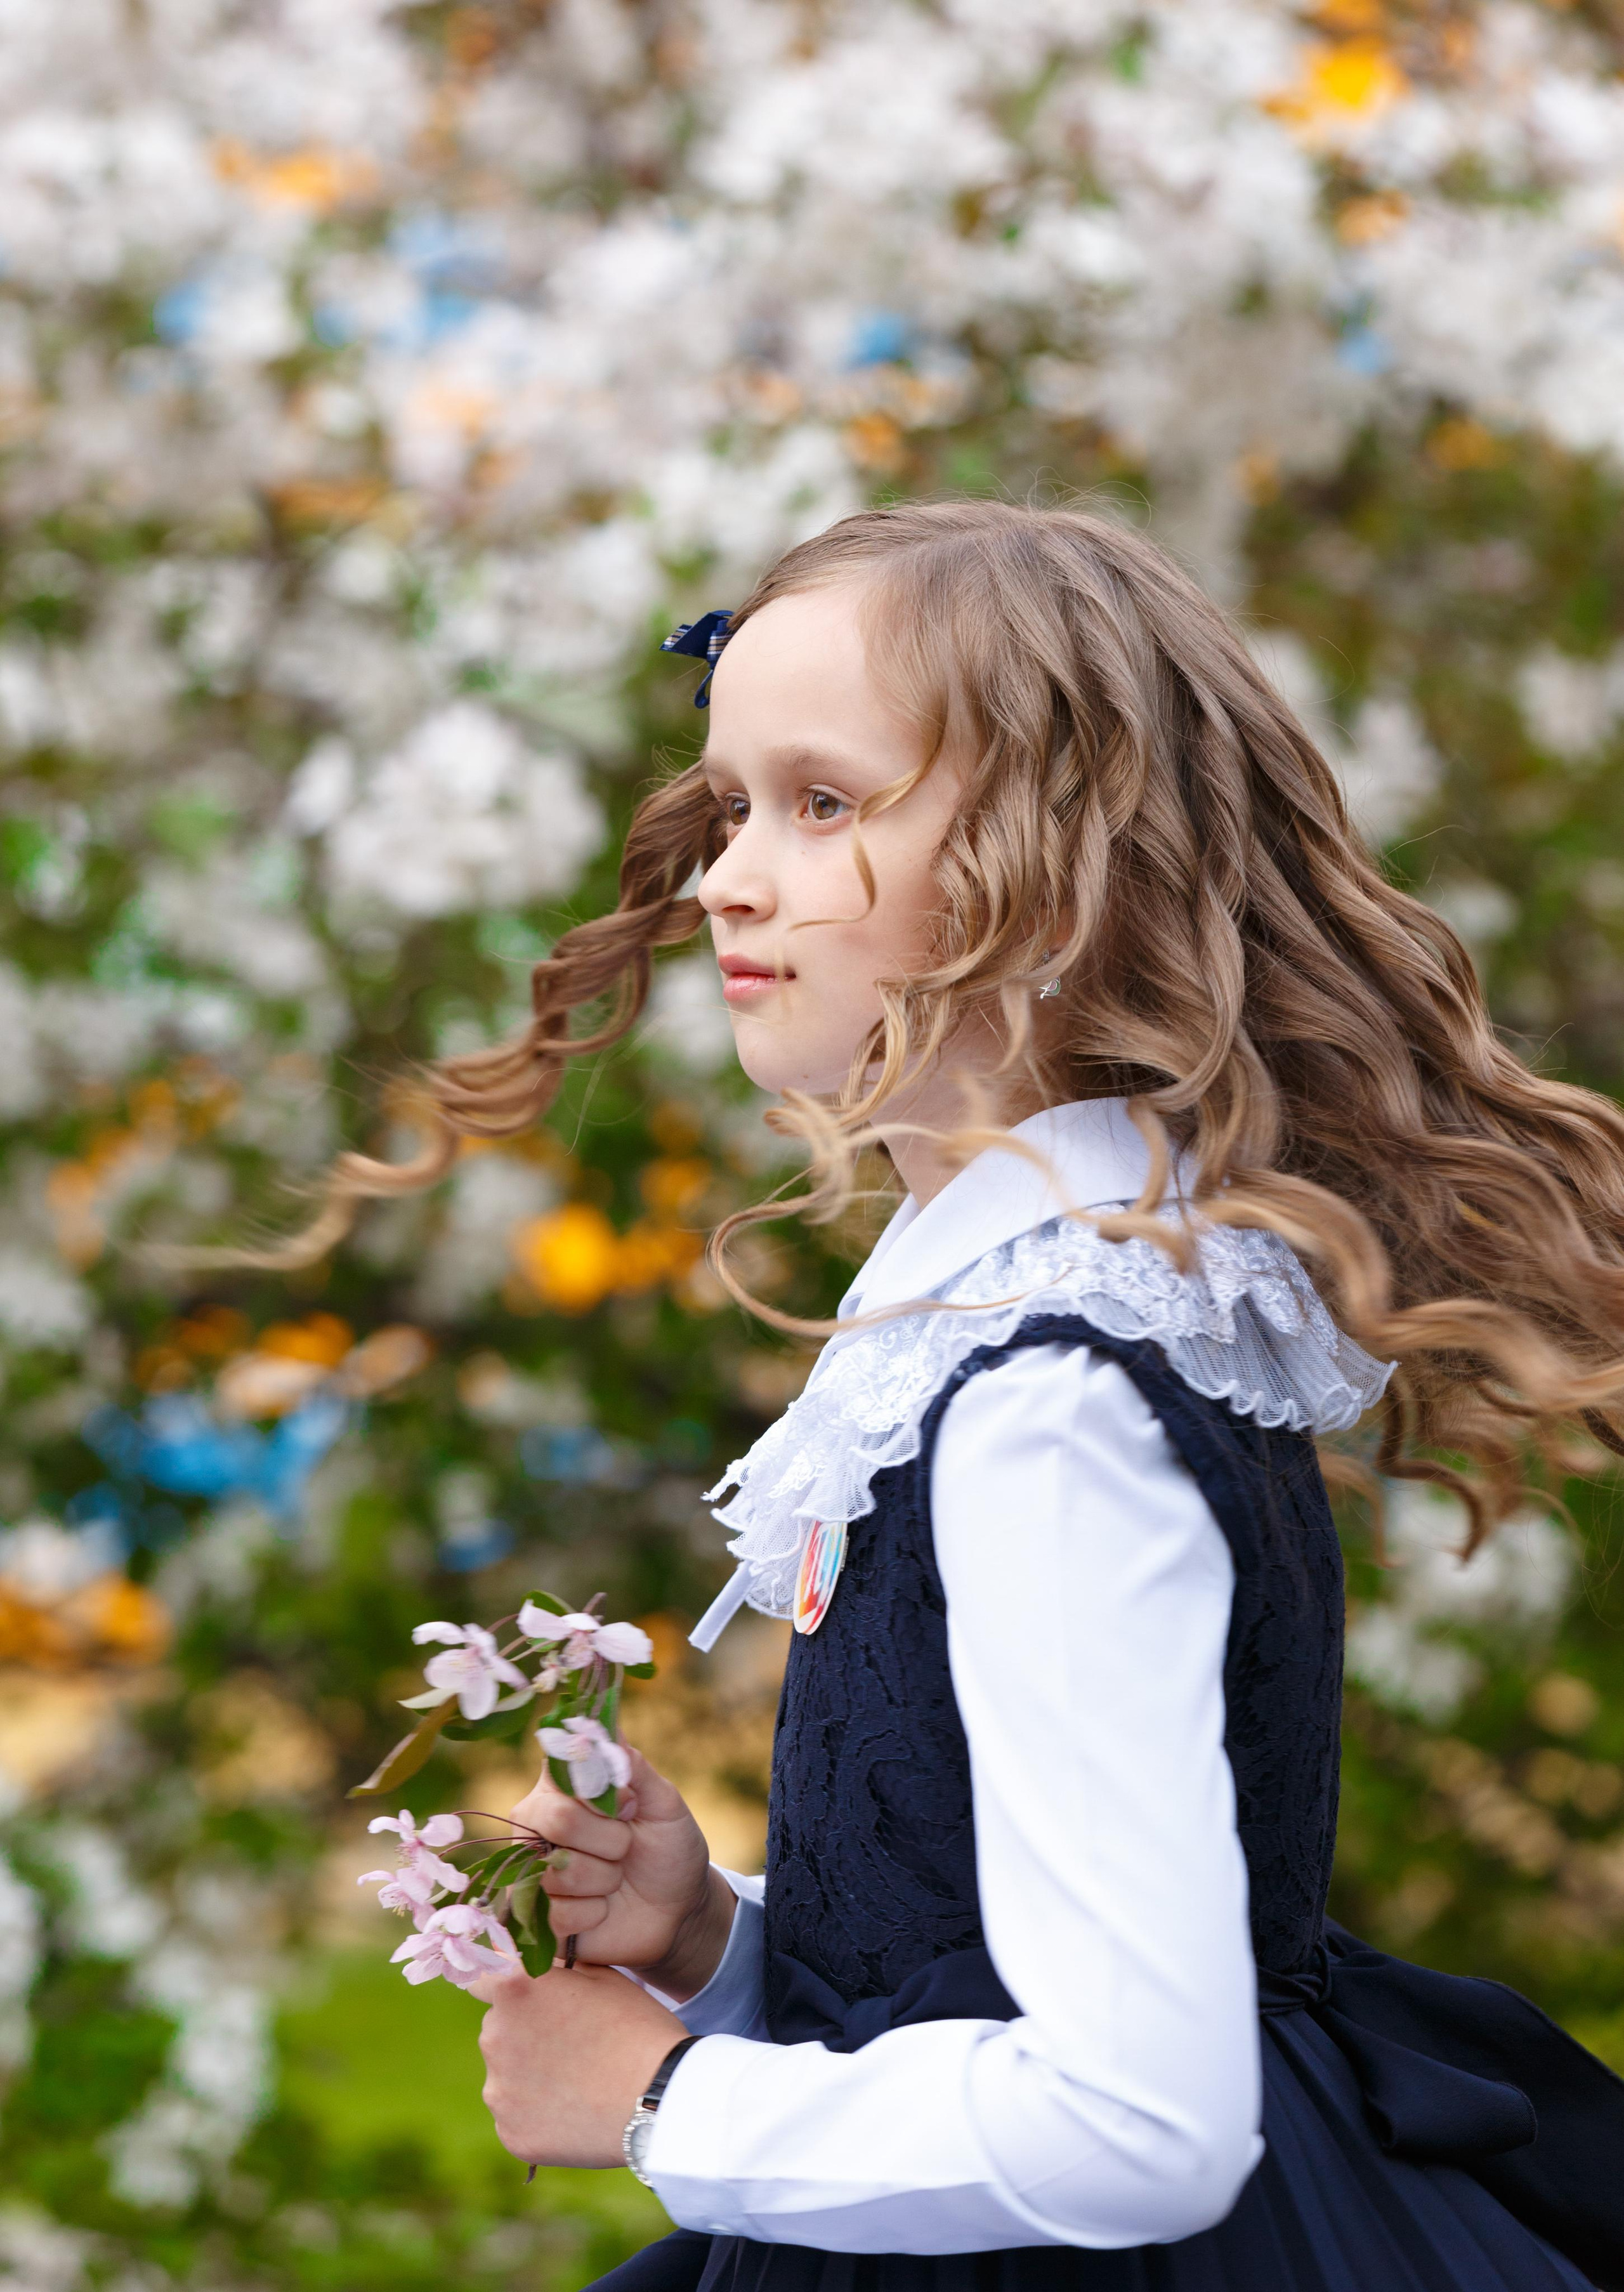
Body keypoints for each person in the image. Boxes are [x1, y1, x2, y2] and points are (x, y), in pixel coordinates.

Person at [333, 503, 1624, 2287]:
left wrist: (671, 2105)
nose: (726, 877)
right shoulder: (1037, 1317)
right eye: (730, 807)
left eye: (824, 802)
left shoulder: (1049, 1401)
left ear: (1064, 865)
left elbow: (1136, 2122)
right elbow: (1009, 1964)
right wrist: (724, 1946)